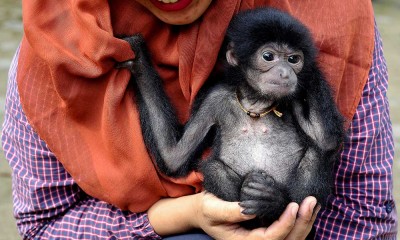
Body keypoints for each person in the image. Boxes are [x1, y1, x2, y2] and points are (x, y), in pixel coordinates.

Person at [1, 0, 397, 239]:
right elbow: (43, 227)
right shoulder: (55, 49)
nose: (282, 71)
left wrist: (305, 80)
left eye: (293, 61)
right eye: (270, 60)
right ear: (234, 59)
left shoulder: (333, 21)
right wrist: (179, 217)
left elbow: (364, 211)